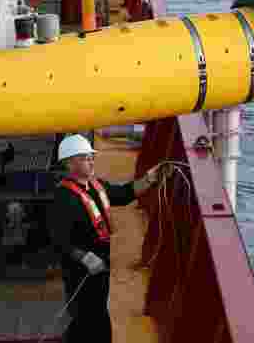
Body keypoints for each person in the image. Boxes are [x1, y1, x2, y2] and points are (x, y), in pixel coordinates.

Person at [49, 133, 172, 343]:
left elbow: (124, 194)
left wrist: (150, 178)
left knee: (98, 313)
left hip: (101, 267)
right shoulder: (63, 198)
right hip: (80, 273)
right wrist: (85, 258)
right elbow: (59, 240)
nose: (91, 161)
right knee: (85, 318)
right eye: (84, 158)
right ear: (70, 164)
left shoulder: (96, 186)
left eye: (91, 157)